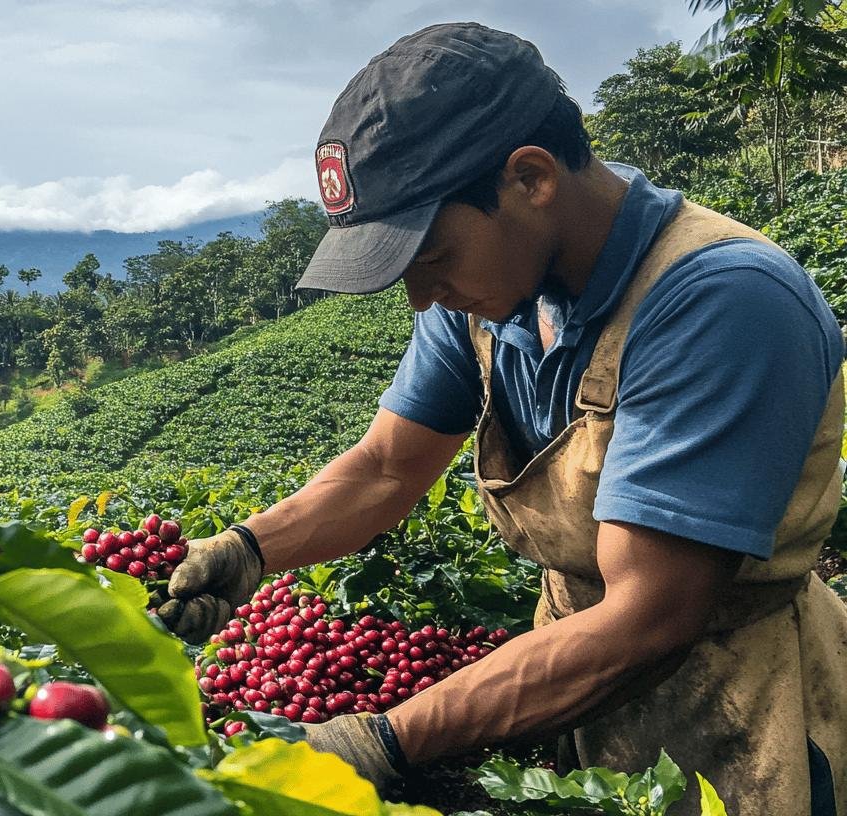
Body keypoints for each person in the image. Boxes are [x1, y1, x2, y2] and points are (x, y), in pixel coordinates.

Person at [156, 22, 847, 816]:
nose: (420, 297)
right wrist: (250, 549)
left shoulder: (721, 302)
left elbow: (646, 617)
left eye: (431, 258)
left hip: (737, 704)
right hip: (567, 684)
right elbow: (386, 467)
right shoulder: (492, 295)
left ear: (530, 178)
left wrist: (381, 741)